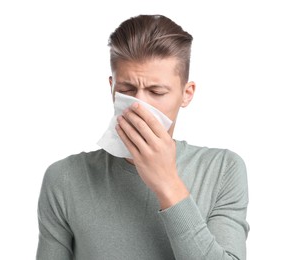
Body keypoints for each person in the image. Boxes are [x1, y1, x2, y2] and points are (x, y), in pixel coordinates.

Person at [36, 14, 249, 260]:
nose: (139, 105)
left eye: (156, 91)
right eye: (127, 90)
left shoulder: (222, 170)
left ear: (186, 94)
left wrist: (167, 182)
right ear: (112, 89)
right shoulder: (64, 178)